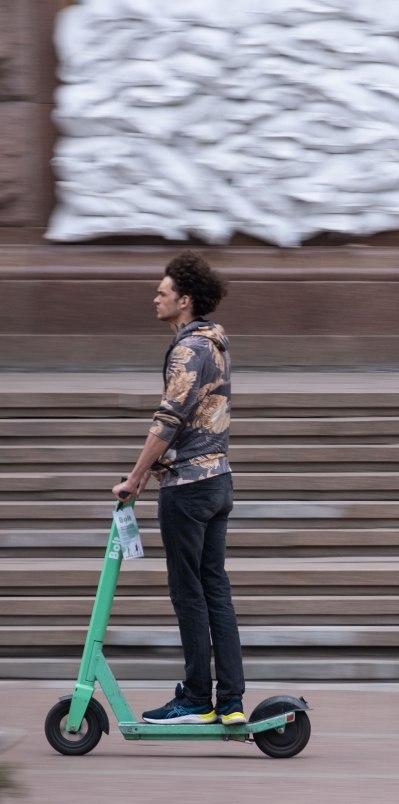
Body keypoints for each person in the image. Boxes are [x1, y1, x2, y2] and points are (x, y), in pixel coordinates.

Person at [111, 251, 246, 726]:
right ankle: (230, 702)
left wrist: (134, 477)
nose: (155, 298)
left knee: (189, 593)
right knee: (215, 590)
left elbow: (168, 419)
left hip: (189, 488)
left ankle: (196, 697)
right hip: (218, 480)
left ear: (184, 300)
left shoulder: (190, 349)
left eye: (163, 292)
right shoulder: (217, 343)